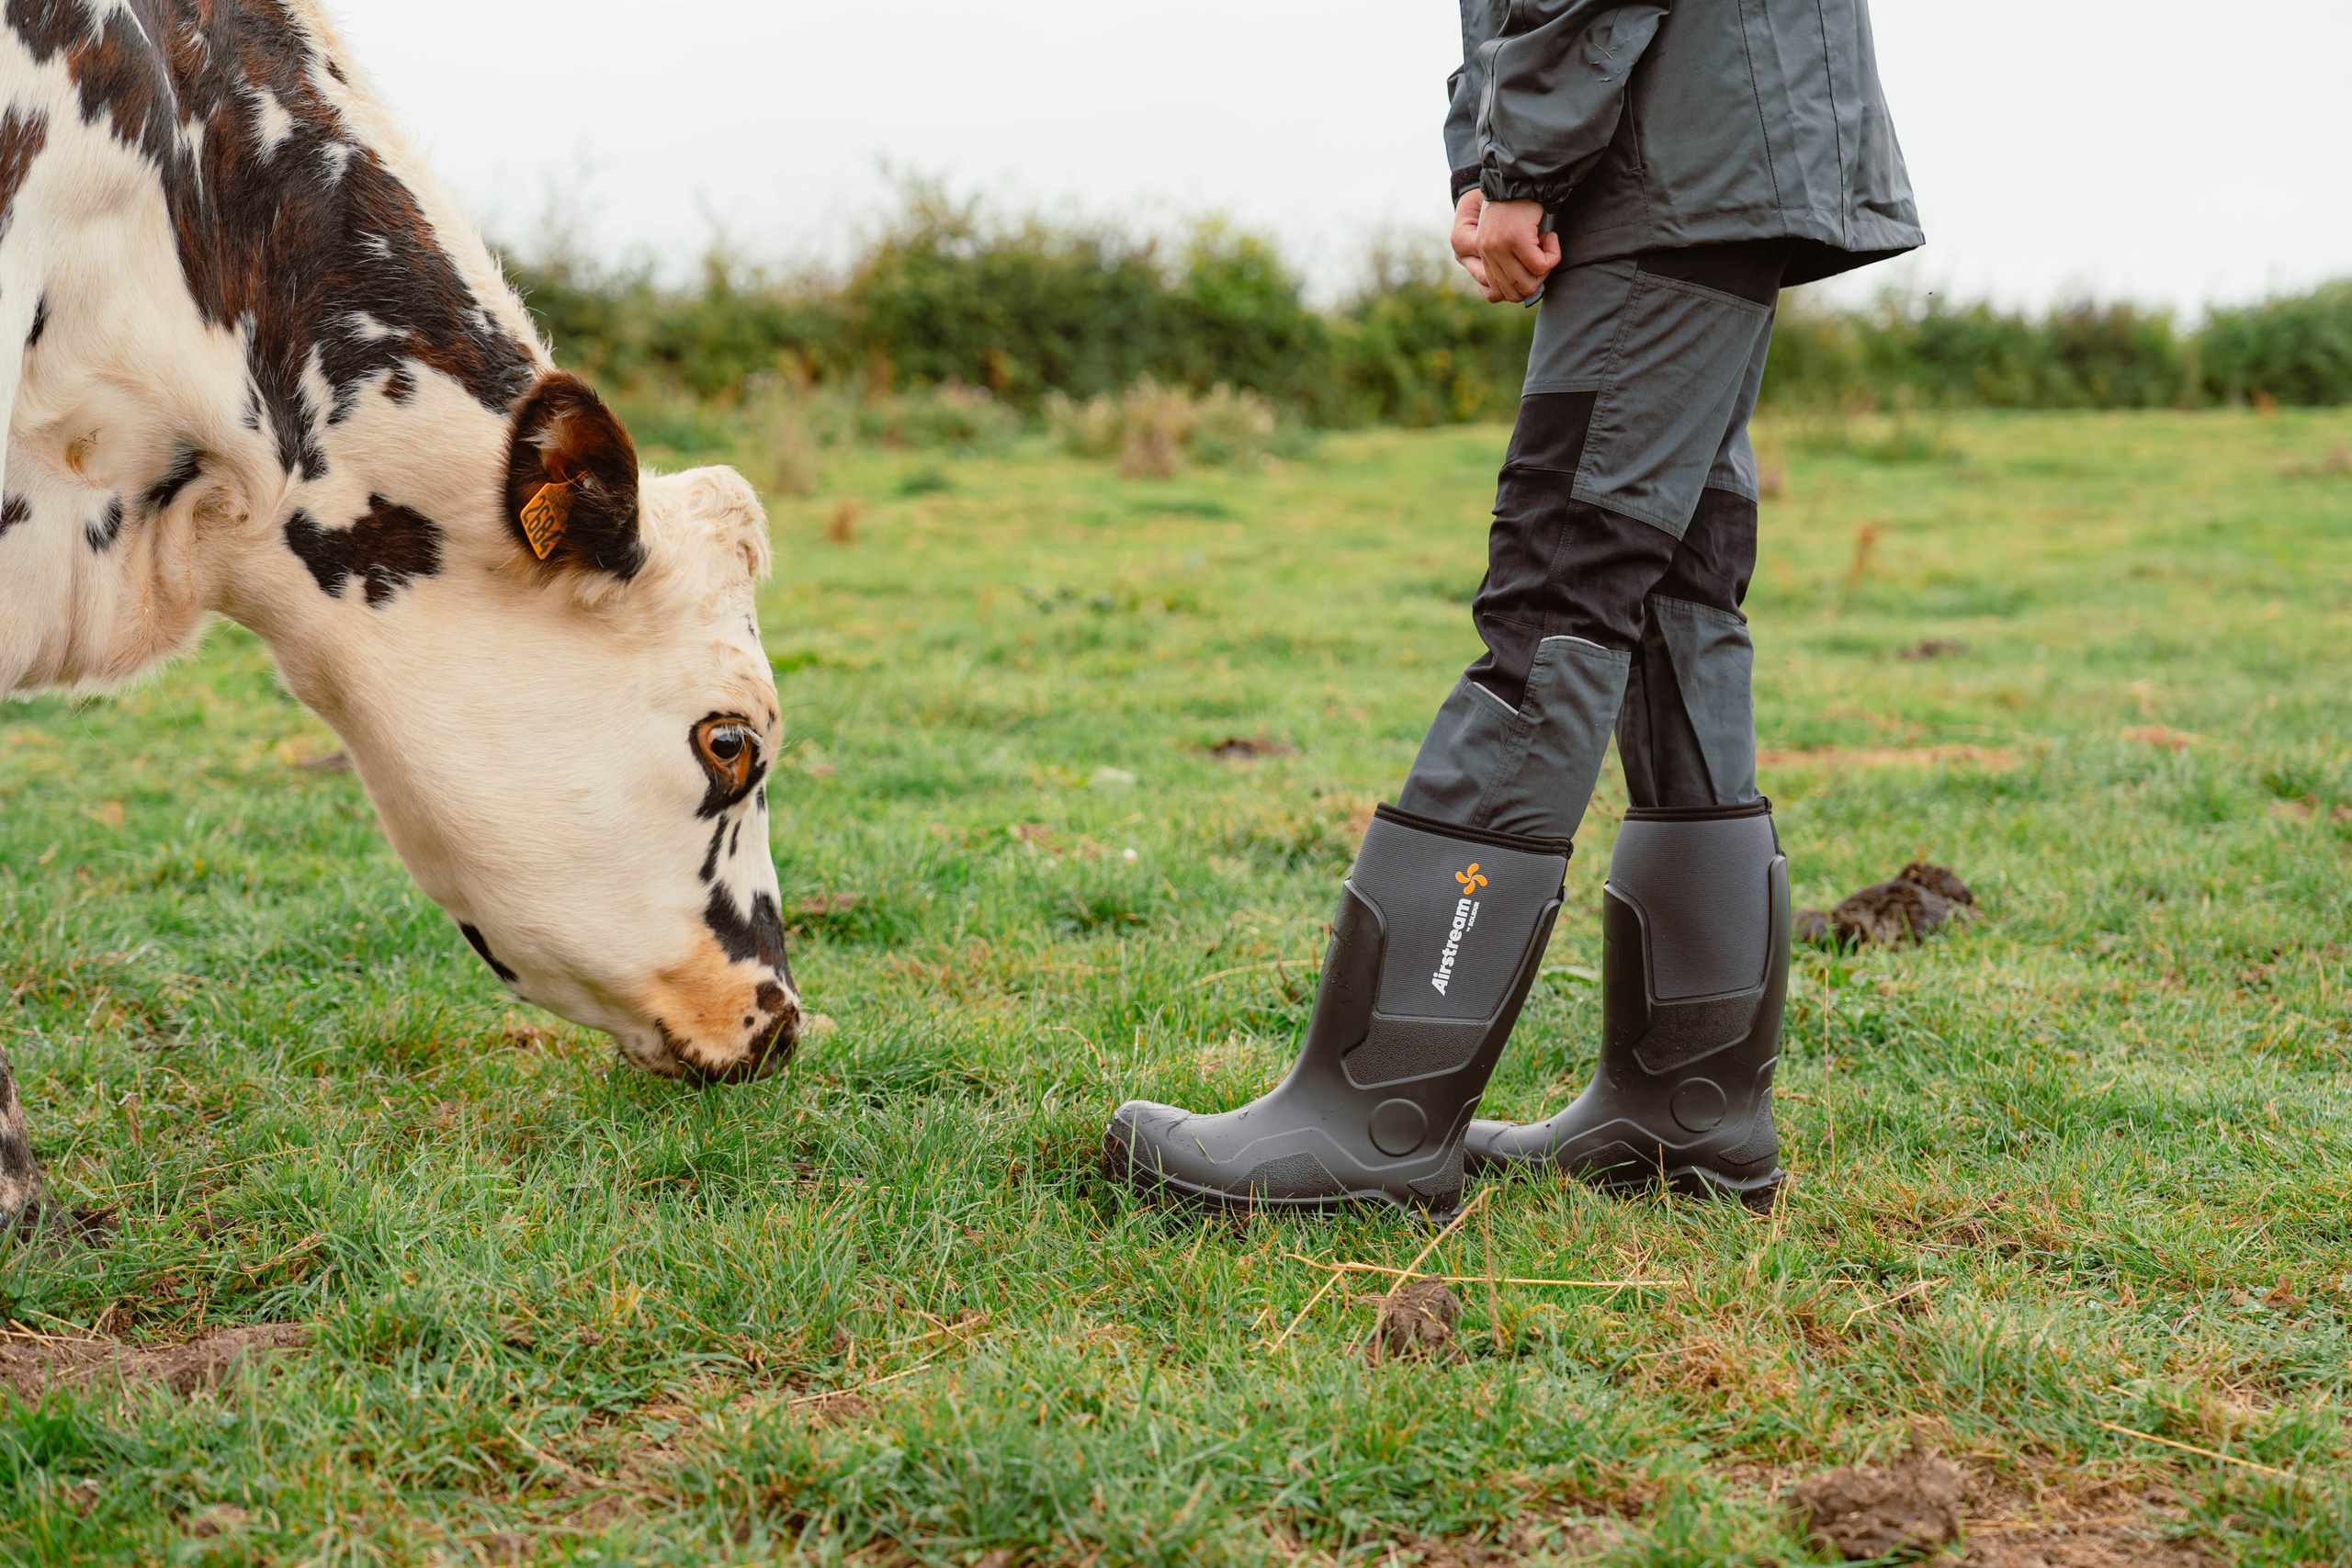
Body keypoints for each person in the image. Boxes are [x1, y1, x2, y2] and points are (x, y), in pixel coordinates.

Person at [1102, 0, 1923, 1217]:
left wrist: (1517, 163)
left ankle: (1377, 1108)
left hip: (1669, 153)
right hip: (1722, 145)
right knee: (1671, 605)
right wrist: (1494, 150)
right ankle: (1687, 1104)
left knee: (1562, 596)